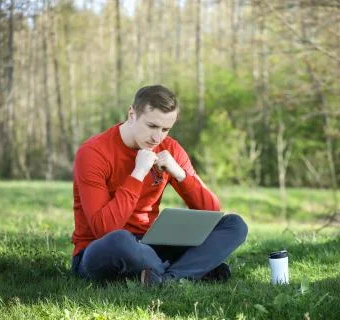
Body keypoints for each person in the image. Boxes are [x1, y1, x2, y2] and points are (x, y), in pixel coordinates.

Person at [70, 85, 248, 285]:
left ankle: (166, 278)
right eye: (152, 126)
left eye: (165, 129)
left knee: (234, 225)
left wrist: (180, 174)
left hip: (151, 243)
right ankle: (189, 269)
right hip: (101, 248)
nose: (157, 137)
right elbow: (104, 229)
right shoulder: (93, 153)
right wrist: (138, 174)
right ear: (132, 114)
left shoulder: (170, 148)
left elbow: (211, 212)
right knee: (120, 241)